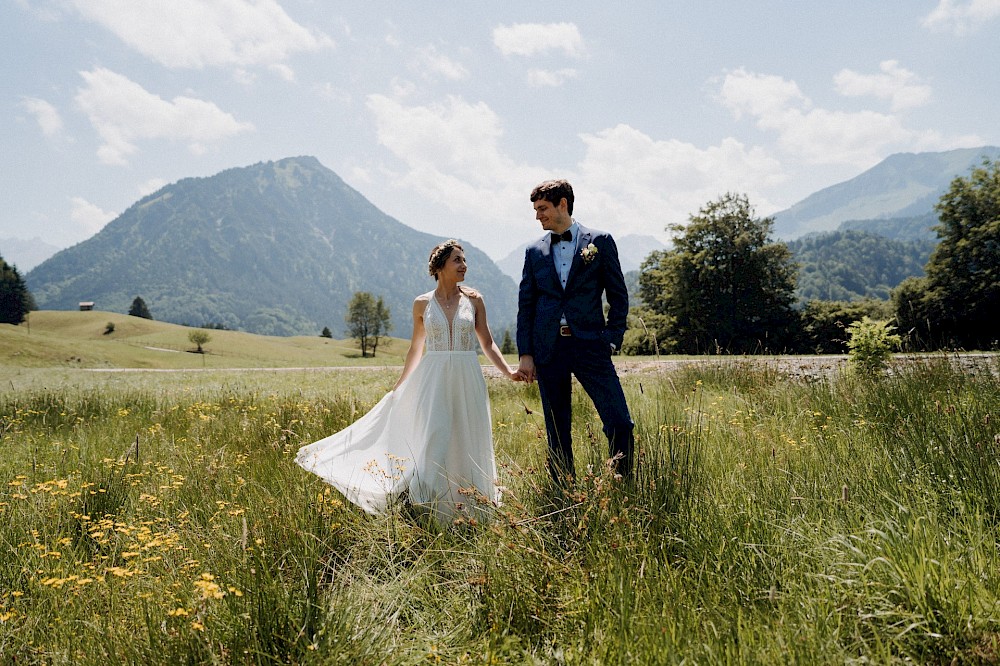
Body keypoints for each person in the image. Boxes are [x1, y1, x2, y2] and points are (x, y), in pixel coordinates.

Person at [296, 239, 517, 522]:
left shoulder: (474, 299)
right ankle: (431, 510)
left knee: (467, 434)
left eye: (464, 260)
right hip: (434, 378)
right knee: (436, 435)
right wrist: (400, 385)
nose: (464, 265)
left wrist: (508, 371)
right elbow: (416, 348)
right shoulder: (422, 303)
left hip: (467, 376)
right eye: (458, 260)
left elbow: (487, 342)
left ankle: (474, 507)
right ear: (440, 267)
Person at [515, 179, 634, 483]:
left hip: (592, 345)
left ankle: (622, 484)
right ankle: (564, 492)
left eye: (542, 208)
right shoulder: (533, 252)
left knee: (620, 421)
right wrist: (526, 354)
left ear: (562, 204)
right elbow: (526, 305)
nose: (537, 215)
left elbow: (618, 296)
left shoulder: (601, 241)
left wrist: (611, 338)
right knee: (557, 429)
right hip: (549, 349)